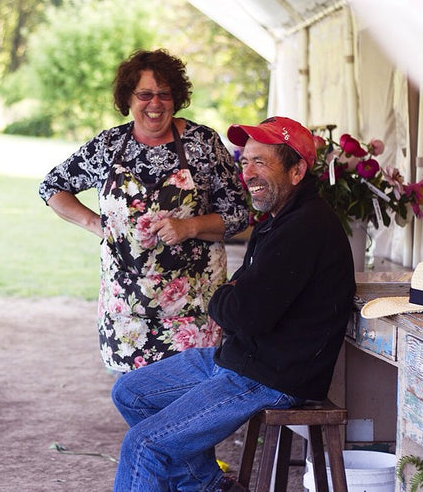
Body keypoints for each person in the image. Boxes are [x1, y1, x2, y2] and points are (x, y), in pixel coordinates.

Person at [110, 116, 356, 491]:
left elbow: (244, 313)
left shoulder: (304, 228)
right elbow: (240, 302)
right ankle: (206, 485)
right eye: (245, 161)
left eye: (262, 162)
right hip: (242, 358)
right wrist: (232, 296)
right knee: (130, 391)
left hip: (271, 375)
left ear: (297, 170)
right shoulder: (279, 221)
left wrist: (226, 296)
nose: (249, 173)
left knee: (145, 445)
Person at [39, 49, 249, 373]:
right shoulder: (108, 146)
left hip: (192, 312)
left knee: (187, 403)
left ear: (176, 97)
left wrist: (190, 226)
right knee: (133, 398)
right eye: (145, 94)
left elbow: (238, 213)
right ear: (128, 98)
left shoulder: (202, 143)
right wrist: (97, 223)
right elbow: (52, 187)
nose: (155, 104)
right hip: (125, 312)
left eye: (164, 94)